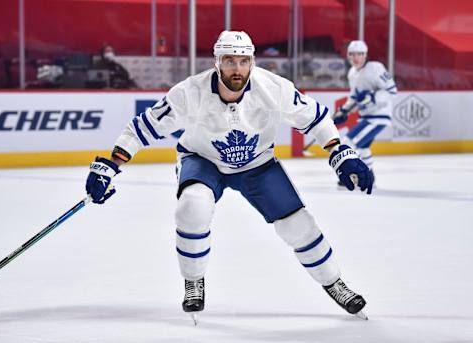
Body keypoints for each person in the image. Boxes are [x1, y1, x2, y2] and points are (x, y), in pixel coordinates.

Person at [85, 31, 373, 321]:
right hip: (203, 160)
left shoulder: (274, 87)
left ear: (252, 62)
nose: (237, 69)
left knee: (299, 226)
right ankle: (193, 280)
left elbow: (316, 118)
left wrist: (338, 152)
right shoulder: (190, 92)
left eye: (244, 61)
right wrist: (110, 166)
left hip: (257, 163)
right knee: (192, 207)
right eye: (230, 61)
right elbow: (140, 129)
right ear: (216, 62)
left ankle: (334, 281)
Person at [332, 40, 397, 187]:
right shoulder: (352, 73)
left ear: (365, 55)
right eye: (352, 54)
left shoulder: (376, 68)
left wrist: (372, 97)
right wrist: (344, 110)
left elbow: (392, 91)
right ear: (348, 56)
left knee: (349, 142)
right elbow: (355, 97)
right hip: (367, 117)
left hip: (380, 116)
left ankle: (353, 174)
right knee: (362, 147)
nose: (356, 58)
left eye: (359, 54)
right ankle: (368, 176)